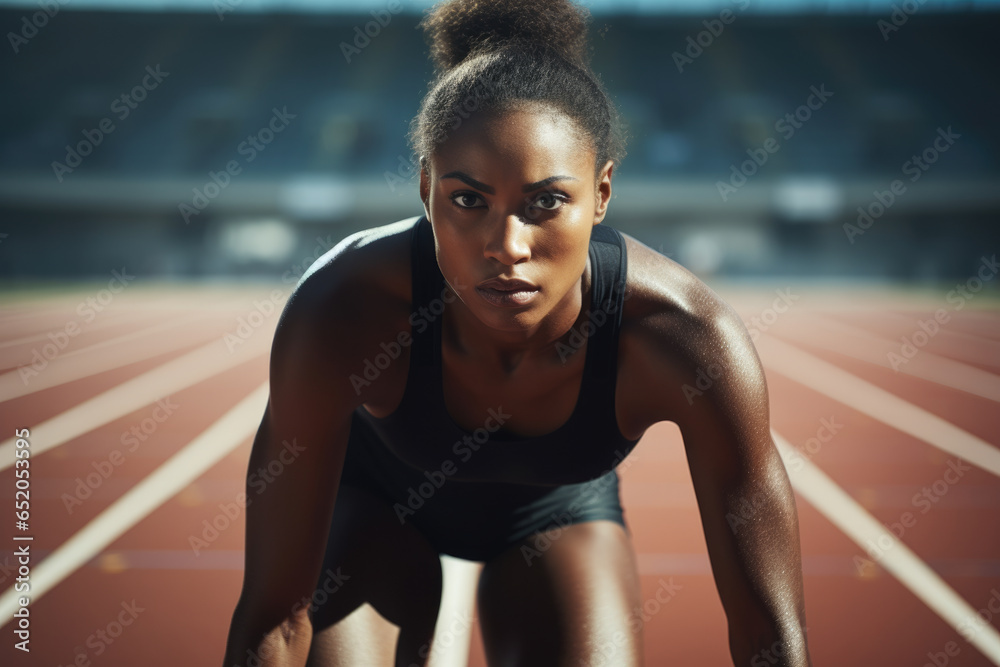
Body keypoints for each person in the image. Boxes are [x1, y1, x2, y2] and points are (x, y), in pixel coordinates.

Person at [222, 1, 812, 665]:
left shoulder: (682, 338)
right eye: (469, 200)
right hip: (379, 507)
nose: (506, 246)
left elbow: (768, 630)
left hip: (554, 518)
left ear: (602, 193)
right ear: (425, 188)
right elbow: (273, 620)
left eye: (546, 202)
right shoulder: (345, 309)